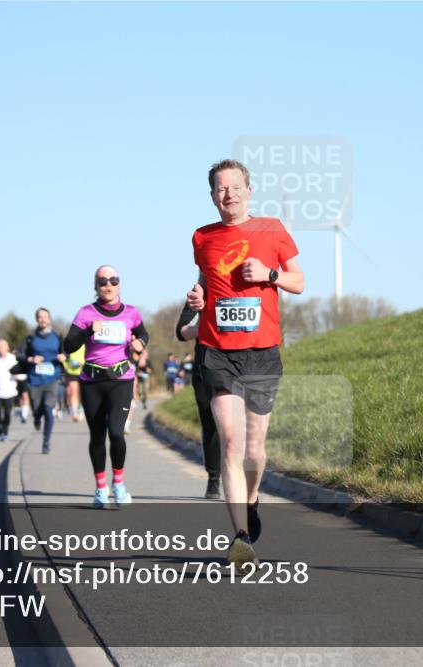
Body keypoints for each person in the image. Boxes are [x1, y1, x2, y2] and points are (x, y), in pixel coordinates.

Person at [187, 159, 304, 569]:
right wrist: (198, 298)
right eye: (220, 188)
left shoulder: (271, 229)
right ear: (212, 195)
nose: (228, 194)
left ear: (249, 191)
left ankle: (252, 501)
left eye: (235, 187)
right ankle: (239, 539)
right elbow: (207, 281)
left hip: (261, 352)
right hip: (217, 352)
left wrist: (269, 274)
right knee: (232, 443)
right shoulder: (202, 237)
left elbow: (299, 281)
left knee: (255, 448)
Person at [64, 265, 149, 509]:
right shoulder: (86, 313)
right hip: (92, 382)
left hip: (121, 380)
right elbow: (68, 345)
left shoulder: (131, 313)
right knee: (98, 436)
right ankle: (101, 487)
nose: (108, 285)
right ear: (96, 286)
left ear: (119, 284)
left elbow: (143, 334)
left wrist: (140, 343)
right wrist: (88, 331)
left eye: (113, 280)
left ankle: (119, 484)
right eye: (102, 281)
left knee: (116, 433)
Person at [176, 304, 221, 499]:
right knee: (211, 423)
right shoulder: (199, 294)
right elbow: (181, 332)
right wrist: (205, 323)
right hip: (205, 366)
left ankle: (239, 474)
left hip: (240, 364)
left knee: (238, 424)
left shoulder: (243, 291)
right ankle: (214, 478)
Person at [23, 307, 65, 454]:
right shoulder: (30, 338)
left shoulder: (57, 336)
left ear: (49, 319)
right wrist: (31, 359)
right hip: (34, 379)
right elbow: (19, 355)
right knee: (37, 409)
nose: (43, 319)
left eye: (45, 317)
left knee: (48, 409)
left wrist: (63, 356)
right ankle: (36, 418)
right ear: (37, 320)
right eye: (40, 317)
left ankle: (46, 443)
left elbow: (66, 352)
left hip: (52, 378)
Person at [63, 344, 85, 422]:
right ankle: (75, 413)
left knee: (83, 393)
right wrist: (66, 365)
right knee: (73, 391)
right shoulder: (70, 344)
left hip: (84, 371)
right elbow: (64, 358)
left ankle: (81, 411)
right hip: (72, 372)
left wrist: (83, 362)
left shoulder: (86, 343)